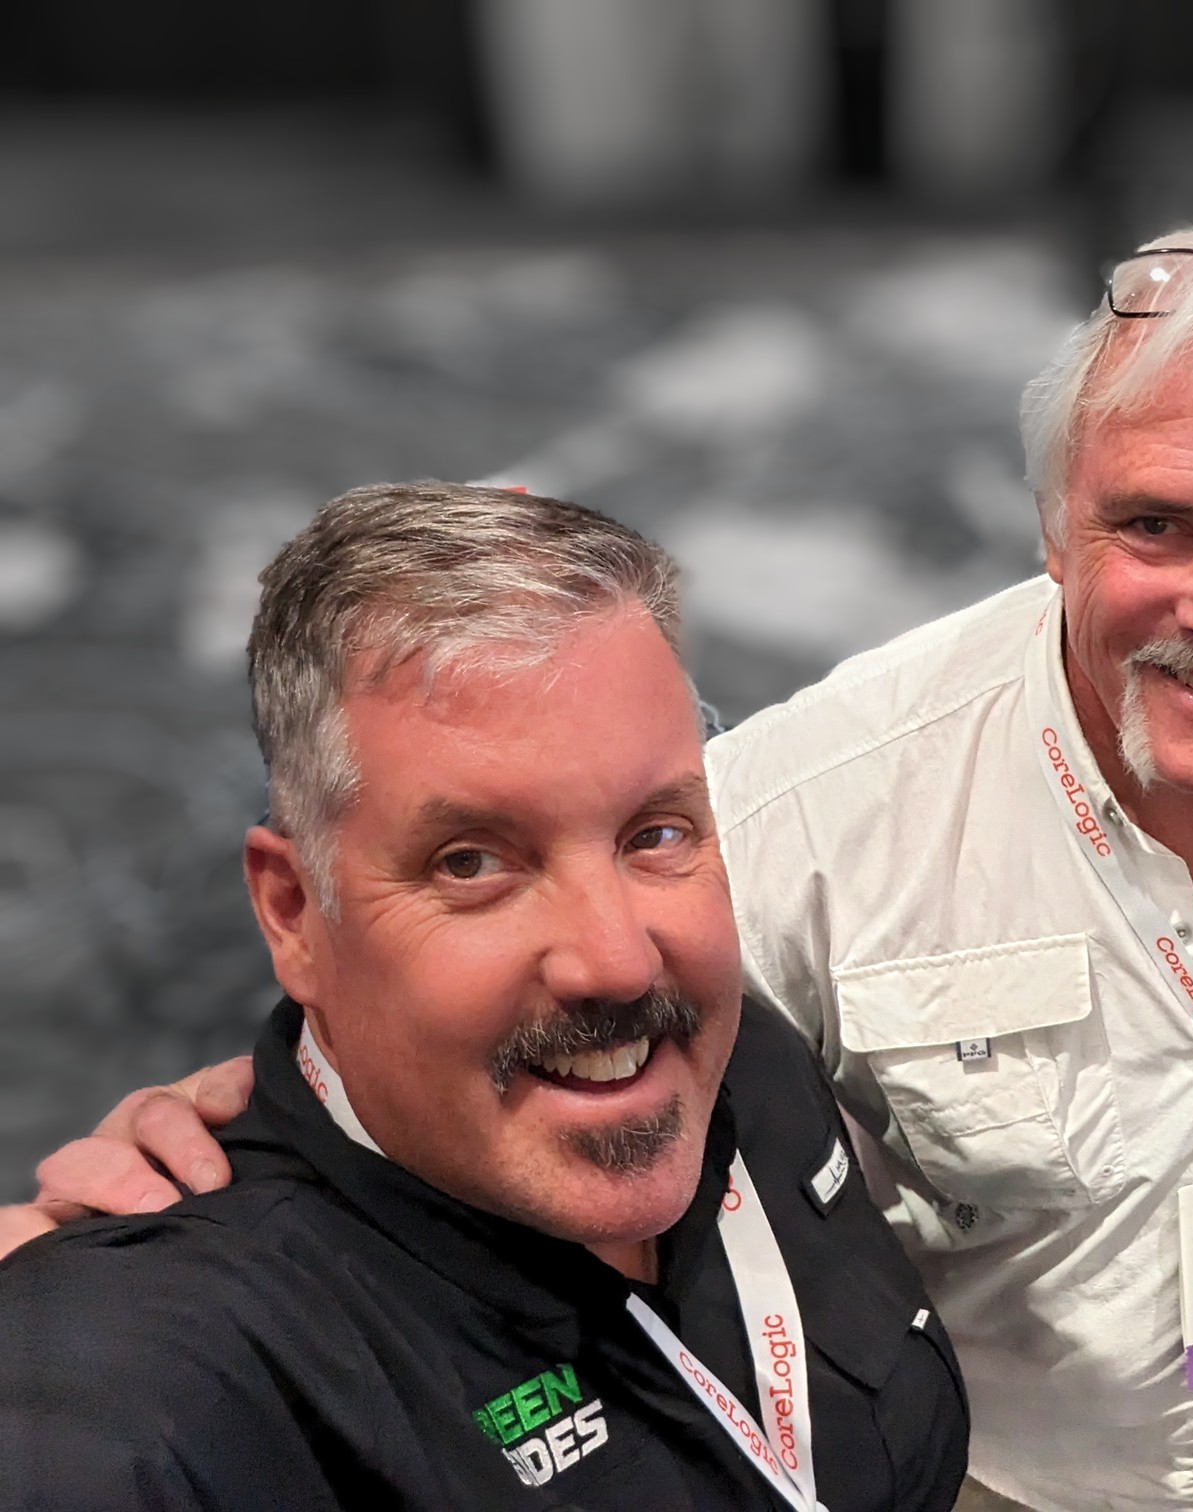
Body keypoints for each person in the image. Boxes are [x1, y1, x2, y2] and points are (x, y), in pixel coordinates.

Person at [14, 232, 1193, 1511]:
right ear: (1053, 532)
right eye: (1154, 526)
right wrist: (246, 1116)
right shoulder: (795, 816)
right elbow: (492, 986)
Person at [0, 483, 969, 1510]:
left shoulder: (747, 1066)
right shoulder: (167, 1369)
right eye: (471, 863)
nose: (618, 963)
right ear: (294, 913)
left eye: (655, 834)